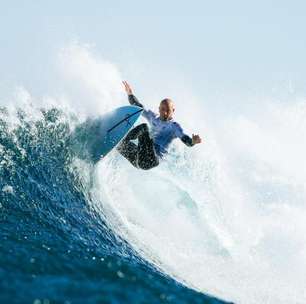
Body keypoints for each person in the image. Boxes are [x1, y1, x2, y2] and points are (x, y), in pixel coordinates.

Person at [117, 81, 202, 170]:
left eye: (168, 110)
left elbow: (186, 140)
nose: (165, 112)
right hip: (138, 159)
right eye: (162, 109)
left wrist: (193, 142)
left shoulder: (174, 127)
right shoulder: (153, 118)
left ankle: (124, 139)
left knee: (144, 128)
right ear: (159, 109)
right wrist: (130, 94)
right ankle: (114, 142)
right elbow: (138, 106)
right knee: (120, 145)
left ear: (173, 110)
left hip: (152, 160)